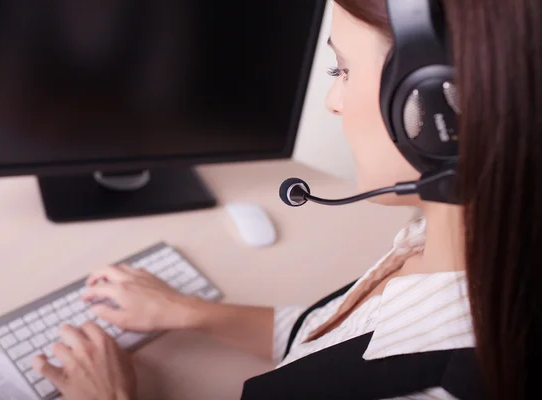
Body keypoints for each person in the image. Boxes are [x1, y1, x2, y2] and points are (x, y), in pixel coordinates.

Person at [33, 0, 542, 398]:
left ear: (440, 112)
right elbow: (329, 346)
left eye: (341, 69)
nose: (332, 100)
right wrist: (191, 313)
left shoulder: (438, 386)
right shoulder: (449, 246)